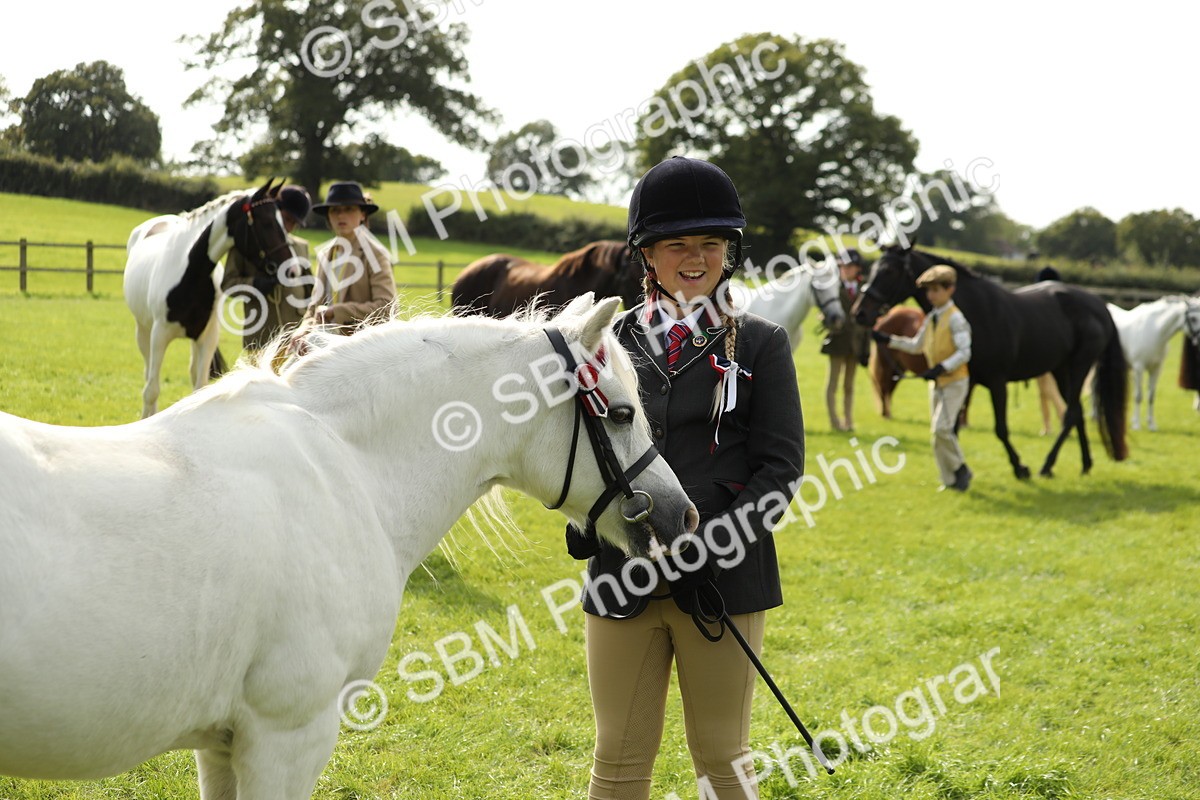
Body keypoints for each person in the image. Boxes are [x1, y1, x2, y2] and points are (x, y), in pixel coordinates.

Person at [566, 156, 805, 800]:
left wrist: (712, 543)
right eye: (677, 244)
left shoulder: (761, 343)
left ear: (729, 251)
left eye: (710, 243)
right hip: (623, 577)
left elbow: (781, 470)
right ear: (648, 253)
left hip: (722, 582)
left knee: (722, 760)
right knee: (616, 761)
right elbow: (578, 449)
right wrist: (585, 524)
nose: (695, 257)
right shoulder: (604, 340)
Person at [873, 264, 972, 491]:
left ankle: (961, 468)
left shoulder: (956, 319)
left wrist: (941, 367)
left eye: (936, 290)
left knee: (942, 429)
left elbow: (965, 352)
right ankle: (950, 480)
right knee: (936, 434)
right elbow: (917, 345)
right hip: (937, 383)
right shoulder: (932, 318)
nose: (931, 295)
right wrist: (888, 340)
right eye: (929, 291)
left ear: (950, 290)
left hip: (955, 381)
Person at [221, 184, 313, 355]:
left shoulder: (302, 247)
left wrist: (308, 328)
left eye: (295, 223)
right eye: (286, 218)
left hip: (295, 338)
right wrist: (256, 284)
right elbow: (228, 284)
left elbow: (310, 290)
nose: (289, 226)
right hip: (260, 337)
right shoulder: (245, 245)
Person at [299, 181, 397, 335]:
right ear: (328, 216)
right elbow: (314, 308)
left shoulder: (376, 254)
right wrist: (303, 330)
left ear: (363, 214)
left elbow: (387, 308)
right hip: (323, 341)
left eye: (349, 209)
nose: (341, 215)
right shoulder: (325, 254)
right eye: (334, 210)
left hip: (363, 345)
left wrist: (337, 311)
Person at [819, 248, 870, 431]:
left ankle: (848, 421)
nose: (845, 269)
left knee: (849, 385)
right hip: (838, 341)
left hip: (856, 342)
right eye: (842, 266)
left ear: (857, 268)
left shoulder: (864, 288)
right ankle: (835, 422)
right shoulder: (833, 288)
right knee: (832, 383)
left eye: (850, 266)